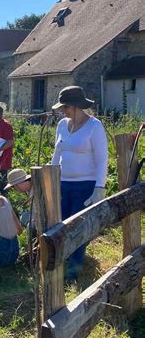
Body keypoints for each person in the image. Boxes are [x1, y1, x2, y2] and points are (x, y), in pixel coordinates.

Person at [51, 85, 108, 282]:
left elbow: (102, 159)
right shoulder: (61, 125)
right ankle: (65, 260)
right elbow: (56, 154)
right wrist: (50, 179)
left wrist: (99, 187)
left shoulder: (94, 126)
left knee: (78, 226)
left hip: (85, 185)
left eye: (65, 107)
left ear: (76, 106)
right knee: (62, 224)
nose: (63, 111)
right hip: (63, 184)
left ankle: (73, 271)